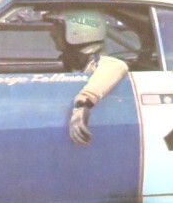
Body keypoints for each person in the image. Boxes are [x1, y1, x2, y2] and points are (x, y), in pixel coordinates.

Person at [55, 10, 130, 147]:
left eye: (58, 29)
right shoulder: (74, 61)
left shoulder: (106, 64)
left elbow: (117, 65)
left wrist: (83, 103)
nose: (52, 34)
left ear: (76, 33)